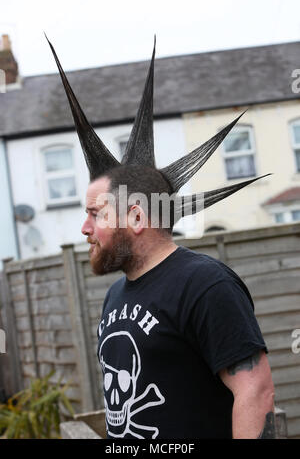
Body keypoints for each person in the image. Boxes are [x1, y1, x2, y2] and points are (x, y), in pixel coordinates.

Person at [46, 36, 275, 439]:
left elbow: (255, 392)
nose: (84, 229)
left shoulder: (206, 285)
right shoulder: (116, 296)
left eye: (95, 214)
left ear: (135, 216)